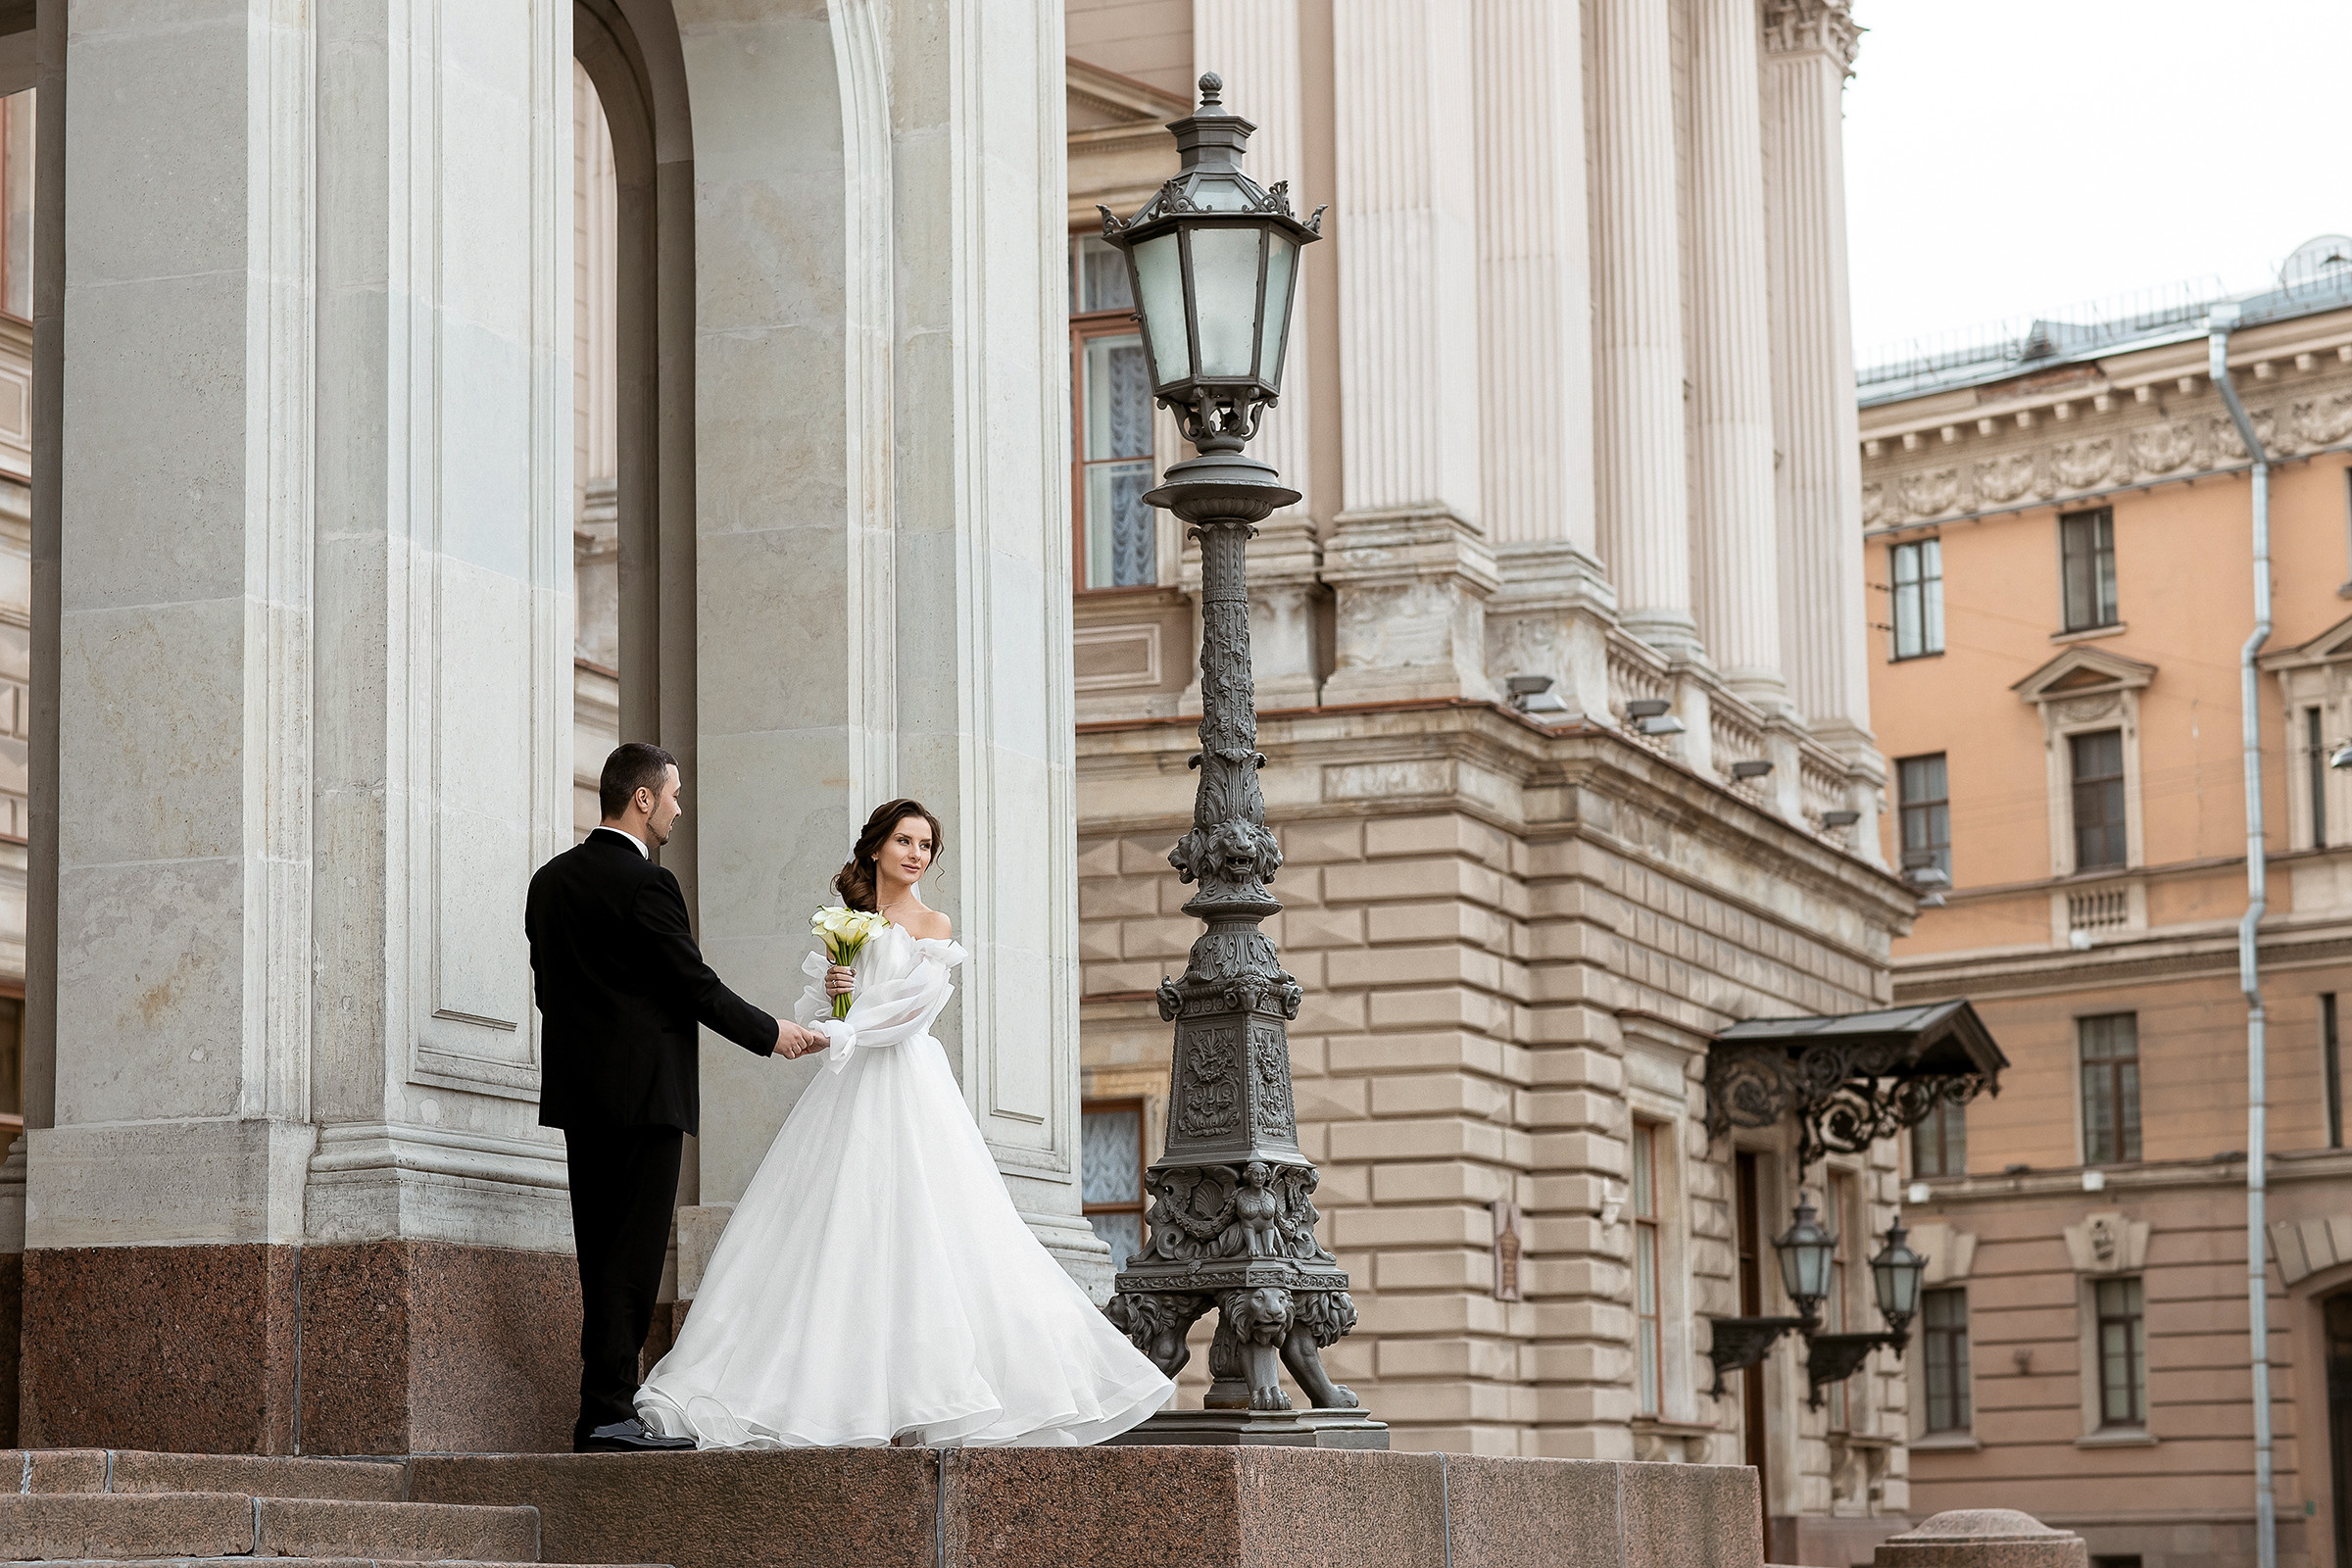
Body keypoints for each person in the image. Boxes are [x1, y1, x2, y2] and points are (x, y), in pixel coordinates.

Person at [633, 798, 1174, 1447]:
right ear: (875, 848)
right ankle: (819, 1393)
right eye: (905, 841)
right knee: (831, 1227)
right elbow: (818, 1007)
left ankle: (934, 1395)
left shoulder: (933, 924)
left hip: (907, 1080)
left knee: (930, 1222)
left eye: (926, 846)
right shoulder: (846, 922)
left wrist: (842, 1035)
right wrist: (832, 996)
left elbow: (912, 1014)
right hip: (849, 1088)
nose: (916, 854)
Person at [526, 742, 828, 1453]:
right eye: (674, 795)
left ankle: (599, 1408)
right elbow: (692, 984)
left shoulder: (550, 880)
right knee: (630, 1261)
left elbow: (550, 988)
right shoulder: (648, 884)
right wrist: (772, 1033)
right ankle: (607, 1414)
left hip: (580, 1097)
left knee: (600, 1254)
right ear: (641, 798)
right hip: (644, 1099)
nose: (679, 809)